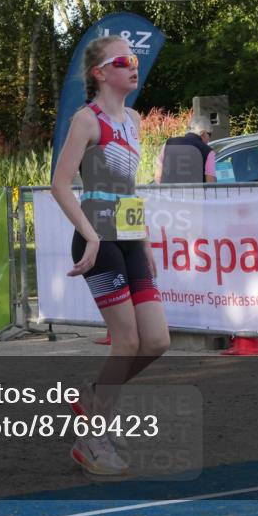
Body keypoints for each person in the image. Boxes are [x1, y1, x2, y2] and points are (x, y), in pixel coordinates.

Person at [51, 35, 169, 477]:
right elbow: (61, 185)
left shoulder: (135, 119)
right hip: (97, 240)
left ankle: (93, 400)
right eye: (123, 61)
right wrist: (88, 233)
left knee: (157, 340)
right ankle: (92, 440)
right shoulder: (87, 120)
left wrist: (146, 243)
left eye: (135, 60)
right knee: (129, 341)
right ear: (101, 73)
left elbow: (129, 188)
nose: (132, 67)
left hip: (129, 236)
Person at [154, 117, 217, 184]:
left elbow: (158, 177)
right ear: (203, 133)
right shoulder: (208, 151)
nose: (209, 139)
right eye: (209, 134)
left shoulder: (168, 144)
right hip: (195, 193)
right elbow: (210, 183)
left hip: (170, 193)